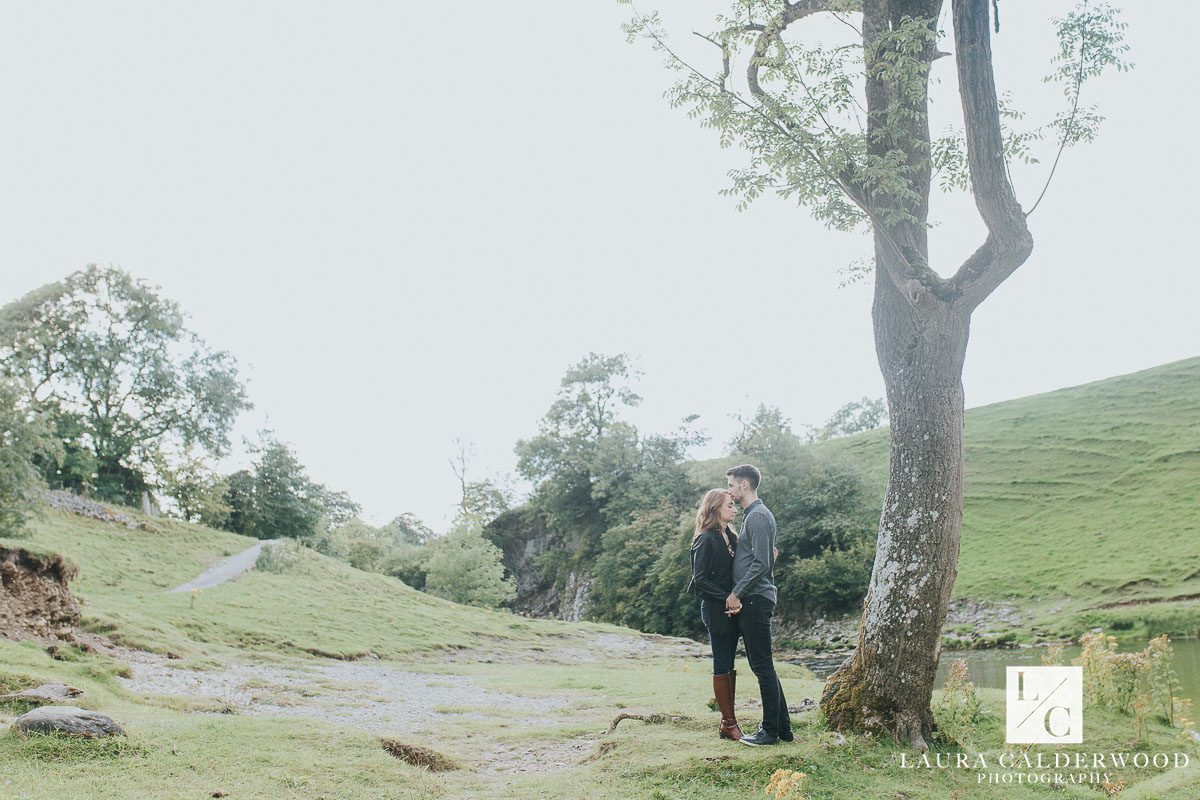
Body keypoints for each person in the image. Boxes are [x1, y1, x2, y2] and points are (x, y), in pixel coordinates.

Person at [725, 463, 792, 746]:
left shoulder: (759, 516)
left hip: (755, 599)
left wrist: (736, 593)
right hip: (753, 598)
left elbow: (762, 563)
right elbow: (762, 557)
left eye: (730, 485)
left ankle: (769, 732)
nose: (729, 490)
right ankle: (783, 728)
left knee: (762, 666)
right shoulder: (752, 516)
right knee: (763, 665)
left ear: (744, 485)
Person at [688, 488, 743, 741]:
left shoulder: (731, 535)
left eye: (734, 504)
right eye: (729, 505)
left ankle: (728, 722)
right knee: (722, 663)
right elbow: (699, 581)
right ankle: (729, 724)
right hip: (715, 609)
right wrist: (726, 597)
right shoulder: (706, 538)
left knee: (730, 663)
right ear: (714, 508)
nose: (734, 509)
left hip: (733, 608)